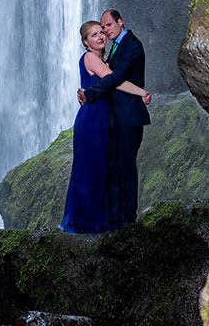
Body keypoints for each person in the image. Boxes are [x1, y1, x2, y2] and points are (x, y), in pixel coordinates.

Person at [60, 20, 149, 234]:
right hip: (93, 120)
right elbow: (115, 81)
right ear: (85, 42)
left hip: (100, 118)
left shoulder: (101, 59)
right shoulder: (91, 58)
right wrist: (141, 93)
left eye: (101, 32)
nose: (100, 37)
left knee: (98, 169)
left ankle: (94, 219)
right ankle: (87, 224)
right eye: (94, 35)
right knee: (90, 169)